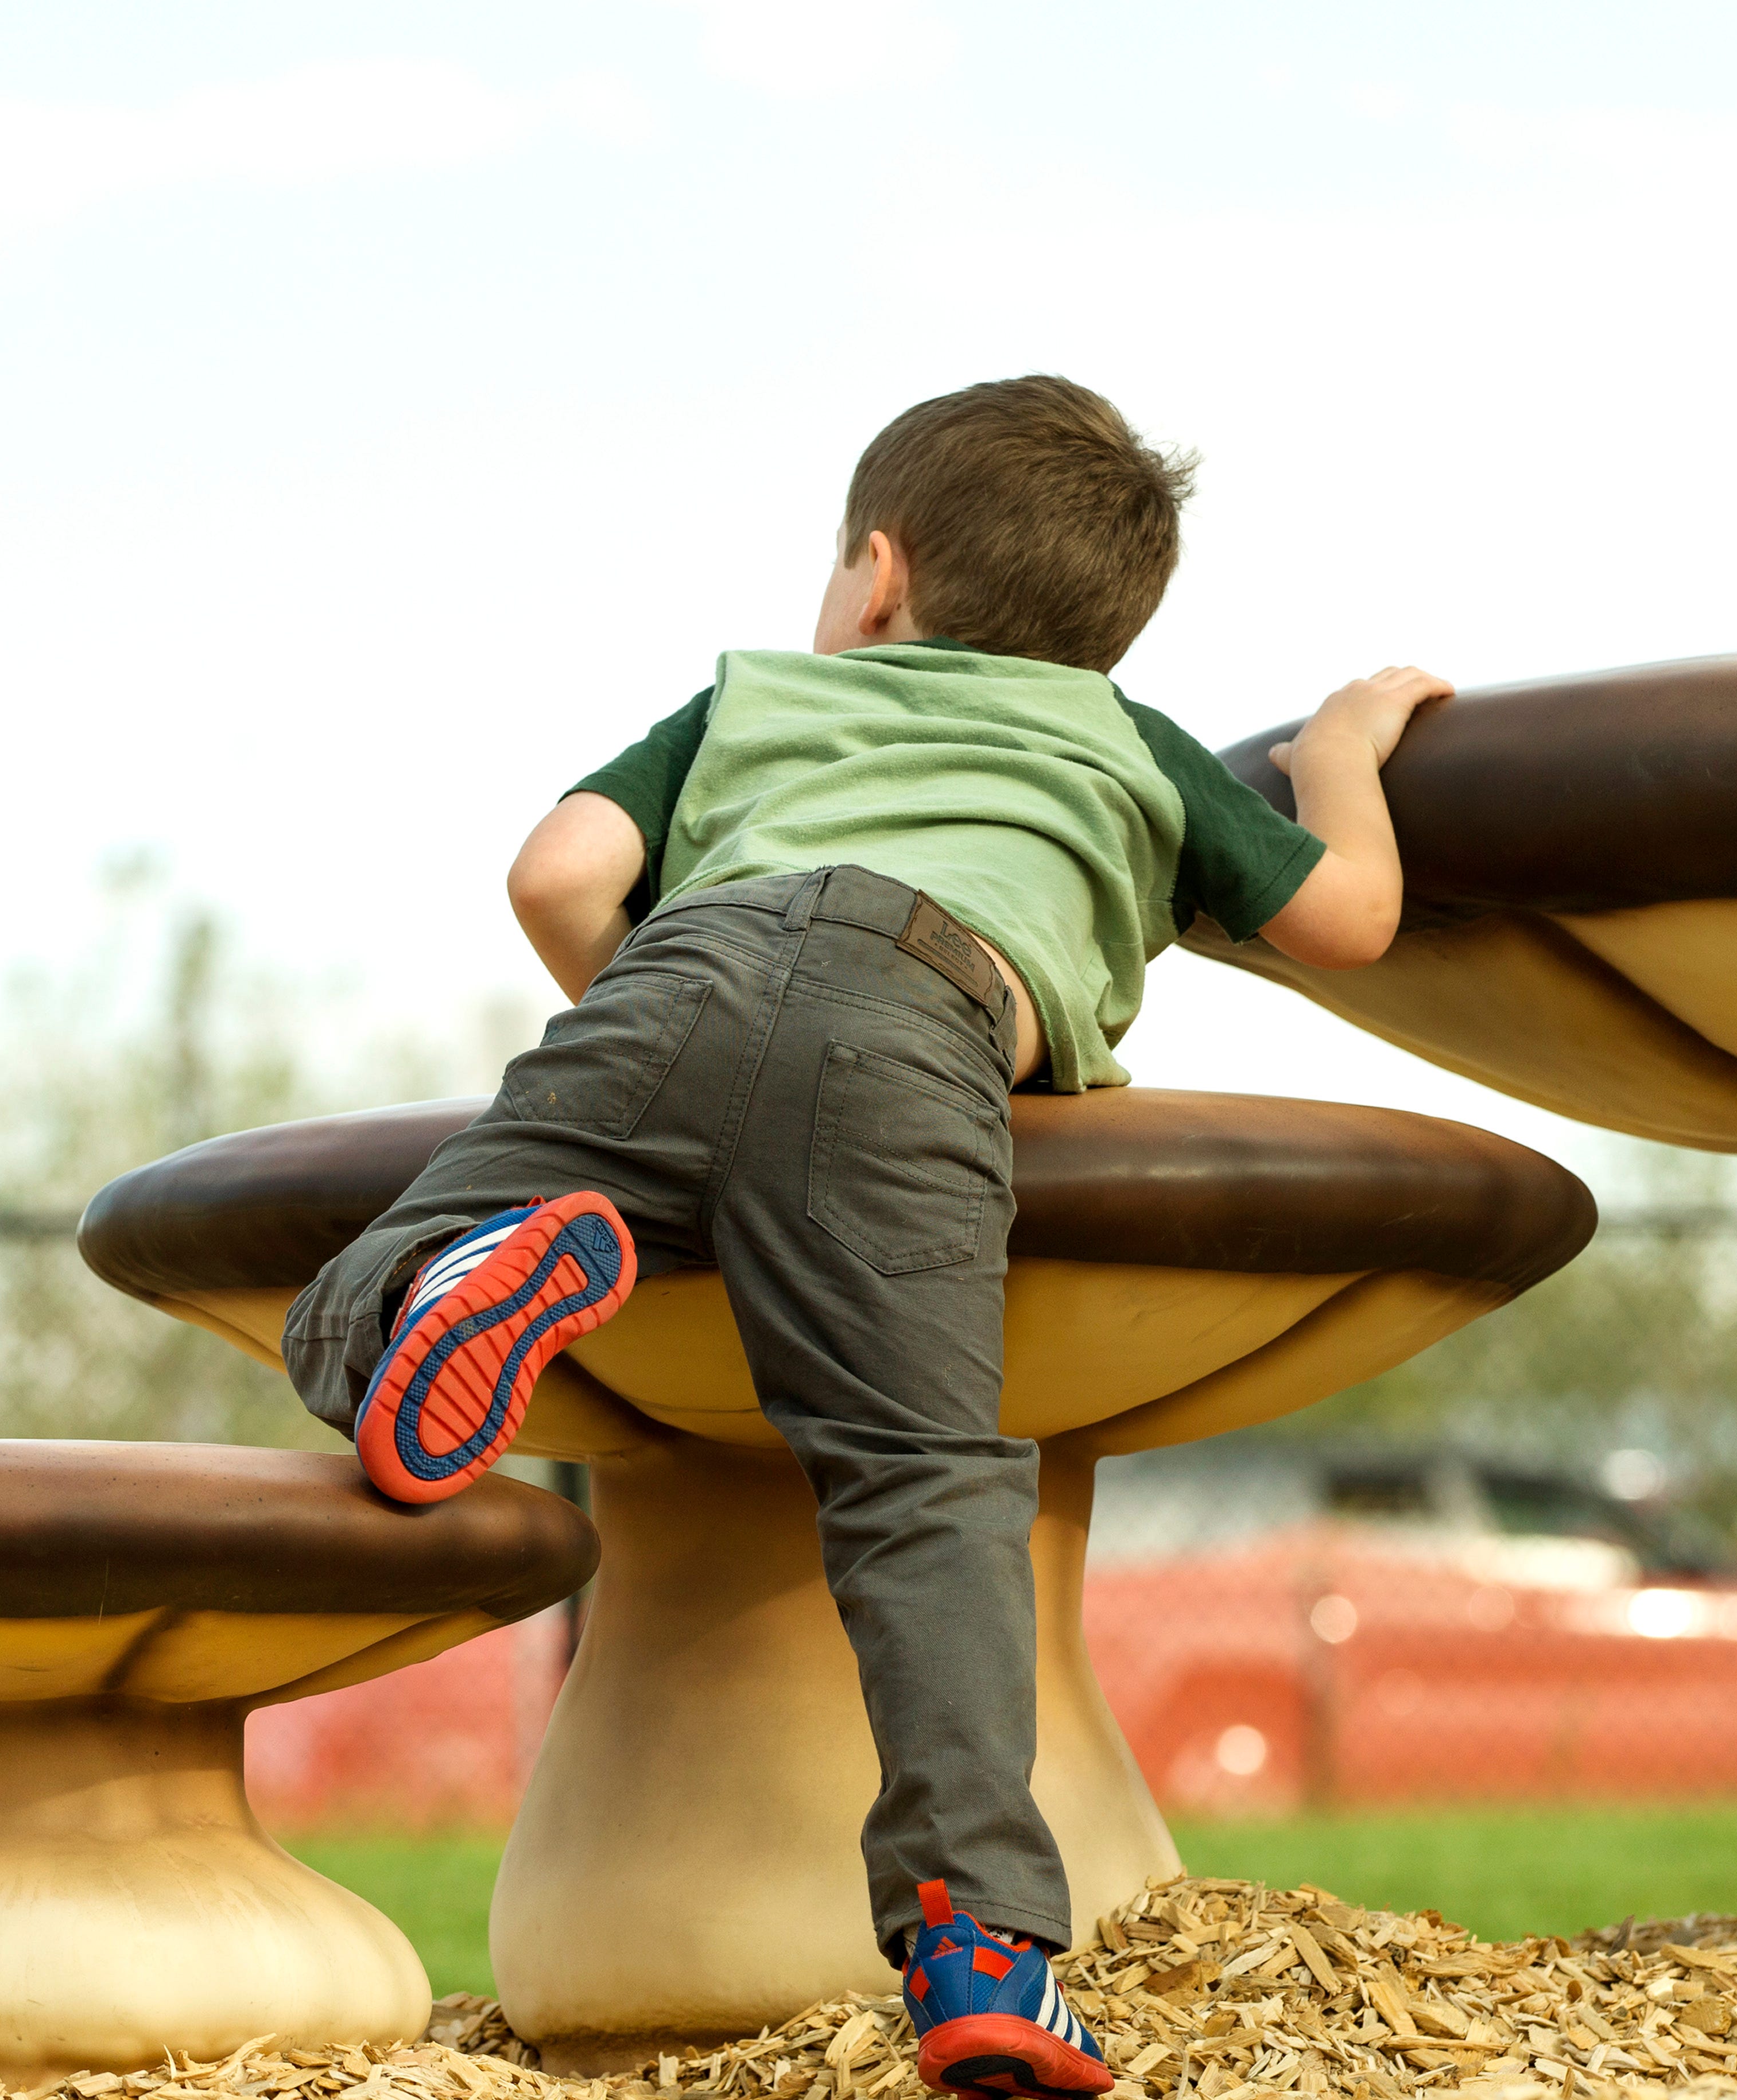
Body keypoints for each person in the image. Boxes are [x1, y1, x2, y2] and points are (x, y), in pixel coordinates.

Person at [283, 374, 1447, 2100]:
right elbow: (1349, 918)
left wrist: (671, 1044)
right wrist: (1342, 747)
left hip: (676, 984)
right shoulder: (1124, 740)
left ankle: (461, 1285)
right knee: (922, 1486)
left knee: (353, 1284)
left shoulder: (757, 698)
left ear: (875, 577)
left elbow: (552, 875)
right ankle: (982, 1959)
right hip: (923, 1021)